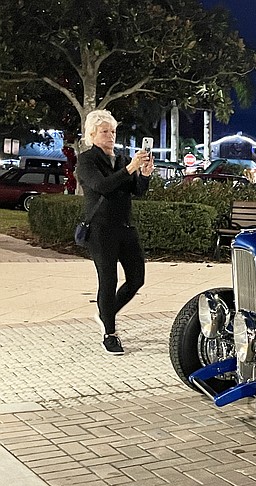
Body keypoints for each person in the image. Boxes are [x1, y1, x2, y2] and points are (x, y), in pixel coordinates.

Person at [75, 110, 154, 355]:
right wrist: (131, 168)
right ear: (92, 134)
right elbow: (102, 186)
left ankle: (105, 312)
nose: (111, 136)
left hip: (125, 227)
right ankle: (110, 333)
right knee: (108, 281)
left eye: (113, 131)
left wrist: (144, 175)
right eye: (105, 131)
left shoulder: (120, 159)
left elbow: (135, 190)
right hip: (101, 229)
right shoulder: (87, 160)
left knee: (136, 279)